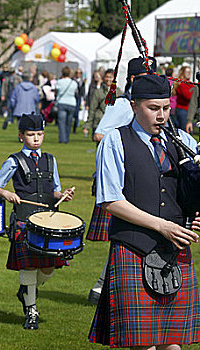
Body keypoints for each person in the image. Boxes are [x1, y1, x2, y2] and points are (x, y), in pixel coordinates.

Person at [89, 73, 200, 349]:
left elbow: (190, 192)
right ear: (134, 105)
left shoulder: (183, 141)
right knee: (144, 344)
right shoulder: (115, 141)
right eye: (153, 108)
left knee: (173, 343)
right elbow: (110, 200)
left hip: (174, 251)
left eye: (166, 108)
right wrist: (161, 225)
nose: (161, 116)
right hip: (133, 247)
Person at [0, 113, 75, 330]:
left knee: (48, 269)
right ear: (21, 136)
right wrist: (7, 194)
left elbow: (55, 191)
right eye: (31, 135)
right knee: (28, 267)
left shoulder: (50, 159)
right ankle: (31, 310)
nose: (36, 138)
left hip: (48, 221)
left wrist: (63, 194)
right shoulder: (14, 160)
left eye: (39, 134)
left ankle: (26, 290)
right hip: (24, 221)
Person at [87, 56, 158, 305]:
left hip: (145, 181)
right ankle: (103, 286)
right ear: (131, 79)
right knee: (126, 236)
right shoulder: (121, 106)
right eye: (144, 78)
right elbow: (99, 134)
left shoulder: (156, 108)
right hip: (119, 182)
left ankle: (106, 286)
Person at [83, 69, 118, 139]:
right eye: (107, 77)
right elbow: (92, 109)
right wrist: (87, 125)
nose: (108, 79)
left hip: (113, 124)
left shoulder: (119, 92)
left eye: (110, 77)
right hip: (100, 122)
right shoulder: (98, 92)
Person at [55, 66, 78, 143]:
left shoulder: (59, 82)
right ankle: (67, 138)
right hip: (71, 102)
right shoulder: (74, 83)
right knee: (69, 122)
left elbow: (56, 90)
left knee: (62, 122)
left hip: (62, 102)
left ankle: (62, 139)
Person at [174, 66, 193, 131]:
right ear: (183, 73)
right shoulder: (182, 84)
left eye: (190, 72)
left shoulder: (190, 83)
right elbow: (189, 96)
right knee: (184, 130)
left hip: (188, 110)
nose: (189, 73)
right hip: (182, 110)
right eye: (187, 72)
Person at [72, 68, 86, 133]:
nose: (78, 74)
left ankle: (75, 127)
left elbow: (83, 90)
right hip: (73, 97)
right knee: (73, 112)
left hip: (78, 98)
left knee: (76, 112)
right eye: (77, 73)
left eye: (79, 73)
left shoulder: (82, 81)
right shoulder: (73, 80)